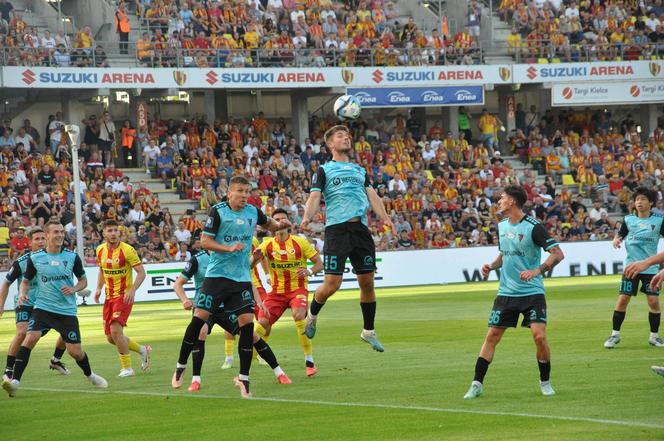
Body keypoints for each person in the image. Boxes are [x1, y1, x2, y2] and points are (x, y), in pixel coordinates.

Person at [172, 176, 291, 398]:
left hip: (242, 278)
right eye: (240, 191)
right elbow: (206, 242)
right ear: (229, 193)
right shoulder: (218, 212)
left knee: (247, 327)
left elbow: (268, 224)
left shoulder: (253, 212)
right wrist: (228, 248)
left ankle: (244, 380)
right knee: (199, 321)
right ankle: (181, 366)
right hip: (217, 278)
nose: (245, 195)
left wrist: (280, 225)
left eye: (247, 191)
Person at [463, 185, 564, 399]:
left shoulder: (533, 227)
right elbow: (504, 255)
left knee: (539, 336)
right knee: (492, 335)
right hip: (506, 293)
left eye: (502, 198)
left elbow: (558, 254)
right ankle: (476, 383)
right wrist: (491, 266)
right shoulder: (501, 226)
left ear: (513, 202)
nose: (499, 201)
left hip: (532, 293)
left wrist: (537, 270)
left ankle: (545, 382)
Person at [301, 125, 395, 352]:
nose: (346, 138)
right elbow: (315, 196)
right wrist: (306, 217)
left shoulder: (359, 170)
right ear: (330, 144)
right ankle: (312, 315)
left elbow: (372, 196)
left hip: (360, 231)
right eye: (340, 136)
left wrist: (385, 218)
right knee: (332, 285)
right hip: (336, 231)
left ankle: (368, 331)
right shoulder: (324, 170)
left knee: (367, 283)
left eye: (347, 136)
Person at [2, 221, 107, 397]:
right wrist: (21, 293)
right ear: (48, 235)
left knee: (75, 352)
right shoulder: (35, 259)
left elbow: (84, 280)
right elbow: (26, 281)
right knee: (29, 337)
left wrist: (74, 289)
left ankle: (90, 375)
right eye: (55, 232)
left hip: (67, 311)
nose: (59, 235)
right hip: (43, 308)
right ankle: (15, 382)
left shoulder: (72, 257)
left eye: (61, 232)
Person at [173, 249, 291, 392]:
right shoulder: (197, 259)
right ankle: (195, 380)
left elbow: (245, 280)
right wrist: (184, 300)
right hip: (205, 307)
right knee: (200, 331)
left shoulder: (230, 256)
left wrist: (259, 301)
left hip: (227, 308)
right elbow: (178, 283)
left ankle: (279, 373)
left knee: (252, 336)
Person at [252, 208, 324, 377]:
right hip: (276, 292)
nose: (281, 222)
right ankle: (250, 361)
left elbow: (319, 264)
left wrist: (310, 271)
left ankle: (309, 361)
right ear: (273, 225)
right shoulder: (267, 244)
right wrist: (256, 260)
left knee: (299, 315)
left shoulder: (300, 242)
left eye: (283, 219)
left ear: (289, 223)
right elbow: (252, 262)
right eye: (277, 219)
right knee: (262, 322)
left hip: (297, 289)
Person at [0, 227, 71, 380]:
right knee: (22, 333)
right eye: (36, 239)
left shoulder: (53, 259)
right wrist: (1, 305)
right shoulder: (22, 263)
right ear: (30, 242)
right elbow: (6, 283)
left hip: (46, 304)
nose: (40, 242)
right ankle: (8, 370)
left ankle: (56, 360)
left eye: (42, 239)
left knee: (68, 330)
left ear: (47, 239)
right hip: (25, 302)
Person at [95, 220, 151, 377]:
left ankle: (127, 368)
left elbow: (141, 272)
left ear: (119, 232)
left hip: (123, 297)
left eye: (115, 230)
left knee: (115, 330)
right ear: (104, 233)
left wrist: (132, 290)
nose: (113, 233)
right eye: (109, 230)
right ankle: (142, 350)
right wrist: (99, 287)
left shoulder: (127, 250)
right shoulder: (99, 250)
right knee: (110, 338)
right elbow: (101, 270)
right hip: (109, 297)